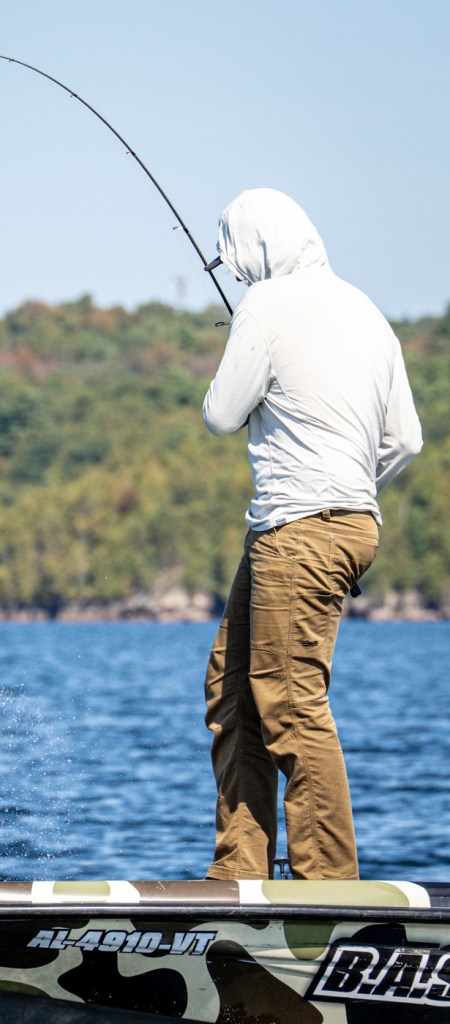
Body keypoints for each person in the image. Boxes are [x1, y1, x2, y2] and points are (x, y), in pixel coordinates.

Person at [201, 188, 422, 881]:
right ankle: (241, 871)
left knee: (290, 700)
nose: (238, 273)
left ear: (255, 247)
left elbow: (221, 413)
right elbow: (406, 441)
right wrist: (349, 486)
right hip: (344, 524)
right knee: (233, 689)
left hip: (298, 529)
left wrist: (244, 334)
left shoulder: (263, 305)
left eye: (235, 259)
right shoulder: (367, 312)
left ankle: (328, 884)